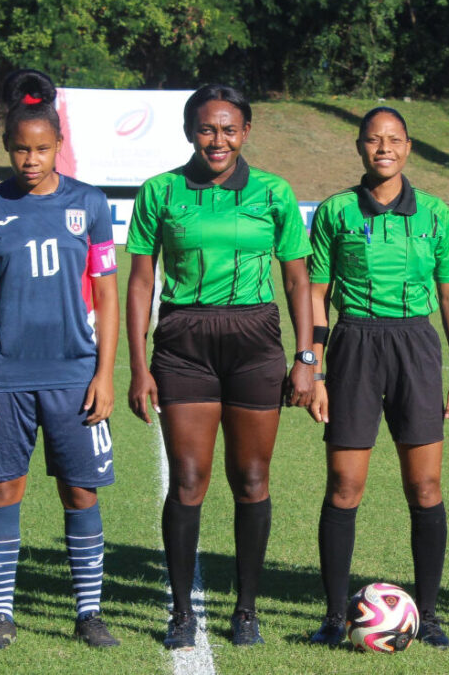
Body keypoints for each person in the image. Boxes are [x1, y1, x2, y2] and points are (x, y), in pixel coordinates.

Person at [126, 84, 314, 649]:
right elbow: (139, 281)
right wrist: (138, 365)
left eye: (229, 129)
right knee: (188, 481)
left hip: (255, 339)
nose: (218, 139)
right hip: (183, 340)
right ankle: (182, 612)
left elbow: (299, 279)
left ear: (246, 133)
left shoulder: (273, 192)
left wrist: (307, 358)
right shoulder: (160, 192)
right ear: (190, 132)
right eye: (207, 128)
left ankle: (247, 609)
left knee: (252, 480)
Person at [0, 69, 120, 651]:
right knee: (3, 490)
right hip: (5, 378)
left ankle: (88, 613)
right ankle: (0, 615)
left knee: (82, 492)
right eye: (21, 148)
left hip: (76, 377)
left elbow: (104, 292)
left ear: (58, 147)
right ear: (7, 147)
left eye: (42, 148)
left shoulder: (91, 204)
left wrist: (104, 373)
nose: (31, 158)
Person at [305, 106, 449, 649]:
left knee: (424, 486)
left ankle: (430, 613)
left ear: (408, 147)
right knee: (345, 486)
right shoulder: (334, 212)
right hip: (353, 344)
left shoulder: (435, 215)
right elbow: (317, 294)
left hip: (416, 346)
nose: (384, 148)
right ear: (359, 147)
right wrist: (316, 368)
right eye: (373, 139)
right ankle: (334, 615)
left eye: (393, 139)